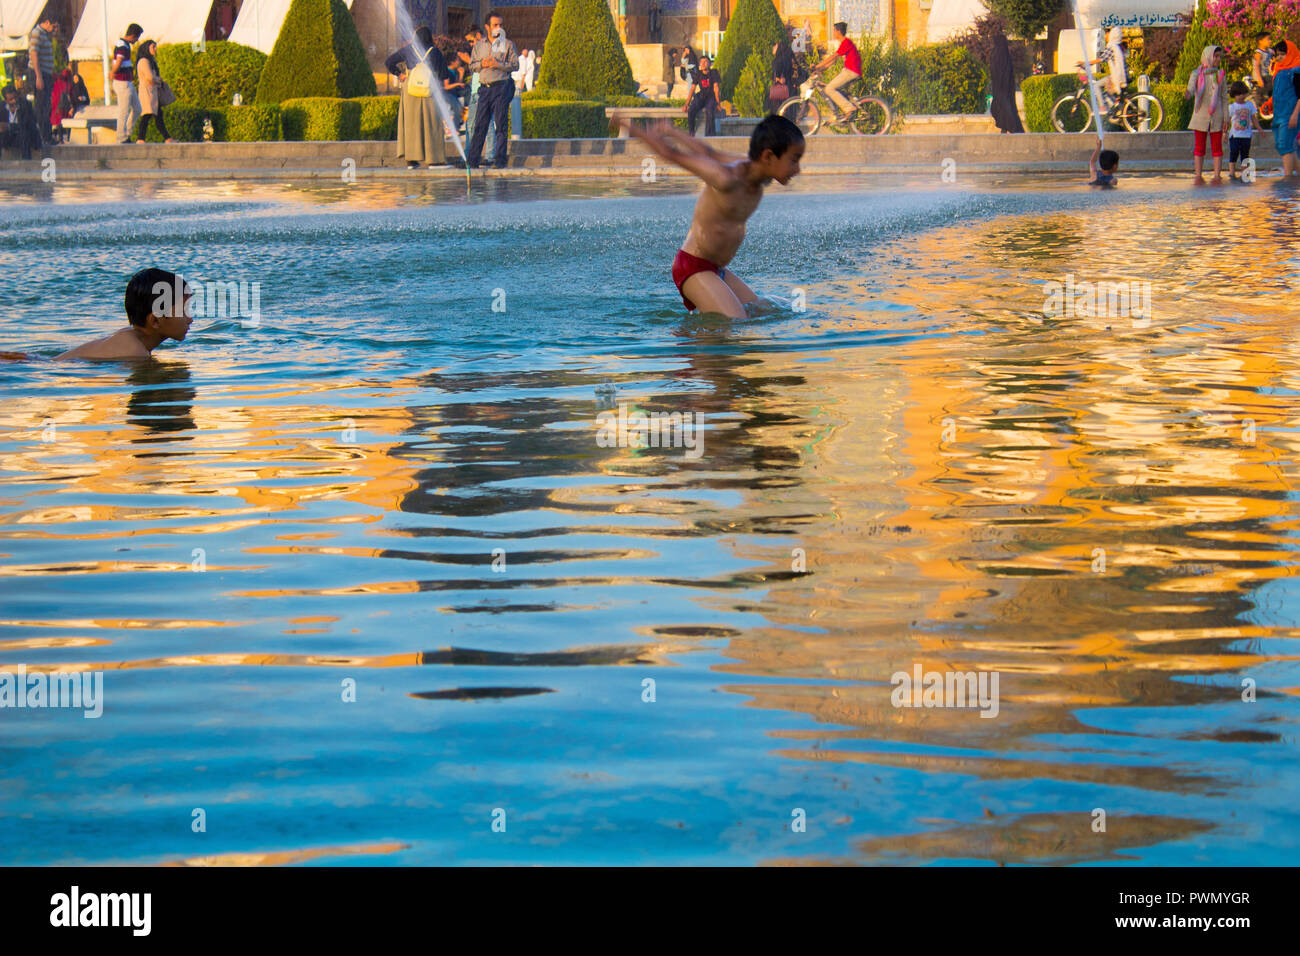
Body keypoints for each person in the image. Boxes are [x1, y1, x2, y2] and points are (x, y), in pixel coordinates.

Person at [617, 114, 804, 318]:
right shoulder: (726, 178)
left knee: (762, 310)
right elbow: (670, 154)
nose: (798, 169)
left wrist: (672, 131)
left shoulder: (756, 175)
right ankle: (689, 348)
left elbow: (708, 151)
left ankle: (690, 337)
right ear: (768, 157)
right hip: (693, 266)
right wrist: (629, 127)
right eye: (793, 160)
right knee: (736, 320)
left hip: (714, 268)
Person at [56, 268, 194, 361]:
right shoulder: (134, 351)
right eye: (183, 311)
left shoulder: (133, 339)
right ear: (155, 321)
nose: (191, 319)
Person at [459, 12, 519, 170]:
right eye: (495, 25)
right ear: (487, 27)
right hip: (484, 89)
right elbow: (472, 66)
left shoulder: (508, 44)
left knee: (501, 126)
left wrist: (498, 64)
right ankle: (473, 161)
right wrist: (483, 64)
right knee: (480, 125)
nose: (498, 28)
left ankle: (499, 160)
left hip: (501, 87)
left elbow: (515, 65)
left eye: (500, 25)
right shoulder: (479, 45)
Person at [387, 26, 452, 169]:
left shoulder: (409, 50)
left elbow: (389, 62)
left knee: (412, 125)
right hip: (430, 93)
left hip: (411, 93)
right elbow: (443, 76)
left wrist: (400, 74)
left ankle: (412, 161)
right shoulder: (435, 53)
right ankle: (434, 160)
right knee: (432, 125)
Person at [1185, 44, 1227, 184]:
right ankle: (1198, 175)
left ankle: (1217, 175)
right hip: (1201, 115)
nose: (1218, 59)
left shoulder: (1221, 75)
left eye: (1219, 57)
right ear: (1208, 56)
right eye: (1215, 56)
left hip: (1217, 115)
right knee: (1199, 146)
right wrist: (1188, 93)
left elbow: (1224, 97)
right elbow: (1191, 88)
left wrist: (1226, 118)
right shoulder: (1196, 73)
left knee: (1217, 147)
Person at [812, 22, 861, 120]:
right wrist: (821, 69)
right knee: (832, 88)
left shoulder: (846, 42)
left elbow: (833, 56)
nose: (833, 32)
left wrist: (817, 66)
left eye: (834, 30)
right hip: (849, 71)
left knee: (829, 89)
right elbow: (834, 60)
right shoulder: (844, 43)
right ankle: (842, 111)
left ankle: (849, 109)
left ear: (838, 31)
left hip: (851, 71)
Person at [134, 40, 174, 144]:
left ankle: (167, 138)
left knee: (158, 116)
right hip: (148, 92)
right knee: (147, 115)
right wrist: (159, 79)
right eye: (153, 47)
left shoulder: (150, 61)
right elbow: (150, 77)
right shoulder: (144, 61)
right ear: (147, 48)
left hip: (152, 93)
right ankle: (140, 139)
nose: (155, 49)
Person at [27, 10, 58, 147]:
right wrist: (39, 76)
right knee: (41, 107)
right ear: (46, 23)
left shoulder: (45, 34)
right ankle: (44, 137)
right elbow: (34, 54)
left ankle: (47, 136)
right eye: (53, 26)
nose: (54, 29)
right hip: (38, 73)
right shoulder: (37, 33)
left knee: (46, 106)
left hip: (45, 73)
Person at [1271, 39, 1300, 176]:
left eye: (1283, 54)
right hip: (1279, 114)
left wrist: (1295, 114)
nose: (1280, 57)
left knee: (1285, 145)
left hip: (1290, 114)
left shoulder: (1296, 70)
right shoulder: (1278, 71)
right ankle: (1296, 177)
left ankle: (1288, 178)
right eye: (1278, 54)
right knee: (1281, 145)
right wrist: (1268, 105)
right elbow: (1278, 94)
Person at [112, 24, 143, 145]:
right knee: (123, 111)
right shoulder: (122, 45)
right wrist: (113, 72)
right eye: (137, 37)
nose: (137, 40)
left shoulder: (125, 45)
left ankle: (127, 134)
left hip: (127, 82)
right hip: (122, 82)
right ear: (132, 35)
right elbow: (119, 60)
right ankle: (121, 137)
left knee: (137, 109)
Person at [989, 28, 1023, 134]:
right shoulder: (1004, 54)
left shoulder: (998, 54)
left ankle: (1009, 127)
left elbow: (997, 70)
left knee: (1003, 107)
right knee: (1005, 106)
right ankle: (1006, 127)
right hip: (1004, 88)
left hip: (1000, 88)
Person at [1226, 80, 1262, 179]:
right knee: (1233, 152)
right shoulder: (1232, 107)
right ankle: (1232, 172)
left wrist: (1259, 128)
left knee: (1245, 154)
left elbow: (1253, 118)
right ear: (1234, 95)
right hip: (1235, 135)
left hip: (1246, 135)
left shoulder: (1249, 105)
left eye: (1242, 93)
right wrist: (1224, 133)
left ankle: (1244, 173)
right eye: (1238, 94)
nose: (1241, 96)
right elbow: (1227, 121)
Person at [0, 85, 41, 159]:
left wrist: (10, 126)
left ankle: (26, 160)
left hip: (24, 135)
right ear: (6, 100)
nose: (14, 101)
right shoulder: (1, 107)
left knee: (24, 133)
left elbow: (29, 123)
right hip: (8, 137)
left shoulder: (25, 104)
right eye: (11, 99)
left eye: (15, 97)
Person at [683, 55, 721, 136]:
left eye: (705, 62)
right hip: (701, 96)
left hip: (711, 96)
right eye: (701, 62)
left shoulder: (714, 72)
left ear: (710, 64)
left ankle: (711, 135)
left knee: (710, 111)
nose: (703, 64)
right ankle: (691, 133)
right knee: (691, 111)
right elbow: (692, 89)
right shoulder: (698, 74)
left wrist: (718, 103)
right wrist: (686, 104)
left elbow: (716, 88)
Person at [771, 36, 795, 111]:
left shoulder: (778, 60)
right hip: (788, 88)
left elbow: (777, 73)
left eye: (775, 46)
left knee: (779, 108)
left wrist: (778, 78)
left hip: (779, 89)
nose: (773, 48)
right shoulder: (787, 59)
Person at [1251, 31, 1273, 98]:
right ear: (1260, 41)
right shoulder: (1258, 53)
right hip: (1260, 76)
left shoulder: (1269, 51)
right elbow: (1256, 67)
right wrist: (1260, 79)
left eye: (1270, 39)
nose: (1270, 41)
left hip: (1266, 75)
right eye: (1268, 39)